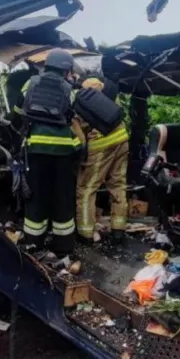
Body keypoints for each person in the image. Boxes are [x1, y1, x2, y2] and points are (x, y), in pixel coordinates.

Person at [13, 49, 82, 255]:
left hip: (35, 150)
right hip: (63, 152)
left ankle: (34, 241)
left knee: (36, 196)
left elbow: (17, 113)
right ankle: (64, 245)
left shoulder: (30, 84)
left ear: (47, 65)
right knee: (62, 196)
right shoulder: (69, 89)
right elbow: (72, 116)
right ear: (66, 69)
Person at [72, 76, 129, 244]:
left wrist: (80, 157)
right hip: (122, 138)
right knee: (118, 184)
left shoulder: (80, 103)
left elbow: (80, 138)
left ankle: (85, 233)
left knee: (87, 189)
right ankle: (118, 230)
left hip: (100, 145)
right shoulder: (109, 96)